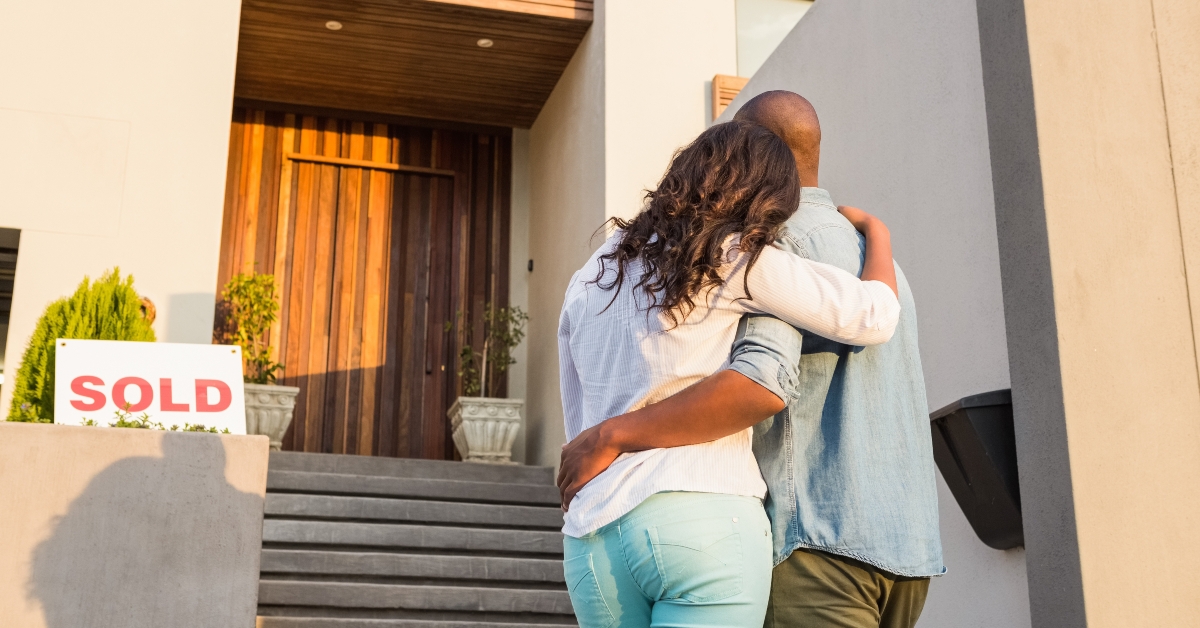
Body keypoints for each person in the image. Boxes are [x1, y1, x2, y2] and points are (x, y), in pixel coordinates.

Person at [559, 91, 944, 628]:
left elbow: (580, 413)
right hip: (899, 546)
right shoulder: (847, 265)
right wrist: (879, 231)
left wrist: (610, 438)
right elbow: (864, 323)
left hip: (613, 532)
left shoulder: (595, 272)